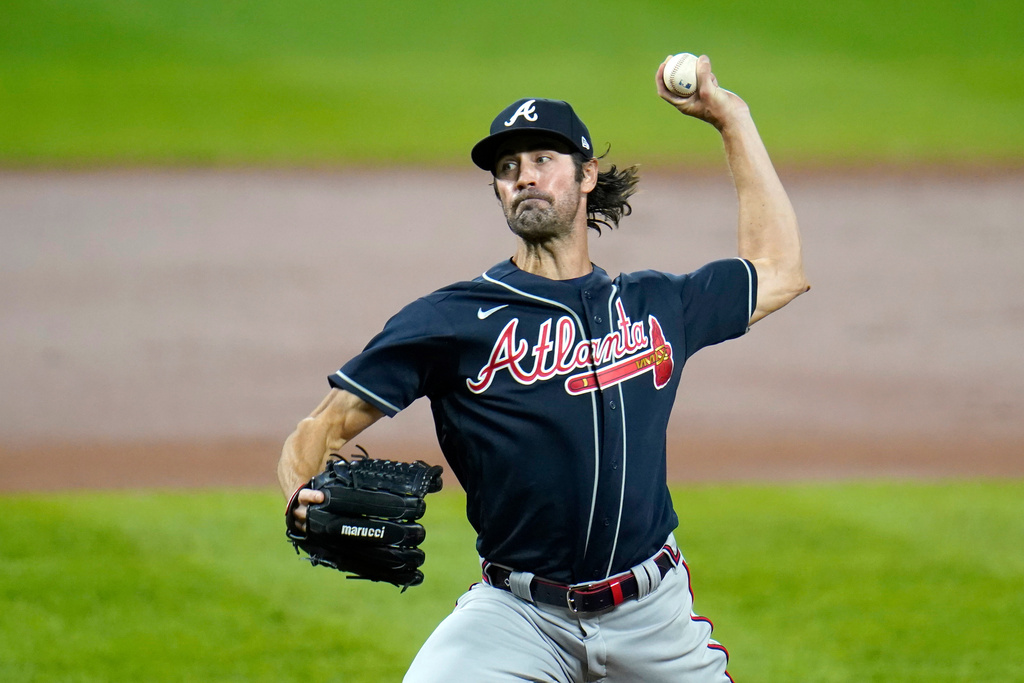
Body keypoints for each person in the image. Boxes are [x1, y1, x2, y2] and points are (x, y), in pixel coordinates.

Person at [278, 54, 809, 682]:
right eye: (508, 169)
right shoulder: (451, 320)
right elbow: (322, 427)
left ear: (586, 177)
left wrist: (732, 119)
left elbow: (779, 272)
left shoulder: (657, 306)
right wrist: (300, 499)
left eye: (541, 161)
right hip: (517, 618)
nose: (523, 177)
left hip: (653, 619)